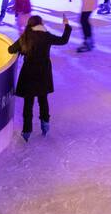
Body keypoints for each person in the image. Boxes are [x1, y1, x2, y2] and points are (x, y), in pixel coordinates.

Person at [7, 14, 72, 142]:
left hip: (29, 73)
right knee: (43, 99)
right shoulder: (46, 36)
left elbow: (10, 50)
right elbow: (63, 40)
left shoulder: (25, 36)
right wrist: (66, 25)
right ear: (40, 24)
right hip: (43, 73)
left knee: (28, 103)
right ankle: (45, 126)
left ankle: (26, 131)